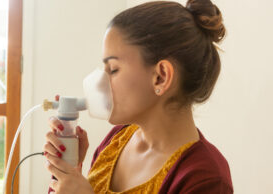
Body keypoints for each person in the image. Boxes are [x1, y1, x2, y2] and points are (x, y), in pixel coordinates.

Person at [43, 0, 233, 193]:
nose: (100, 84)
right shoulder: (116, 141)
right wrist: (68, 170)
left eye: (113, 69)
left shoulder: (206, 179)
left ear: (161, 77)